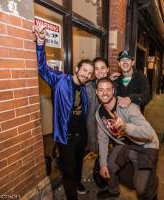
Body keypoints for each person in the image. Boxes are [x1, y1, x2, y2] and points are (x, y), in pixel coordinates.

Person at [34, 25, 94, 200]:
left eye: (89, 73)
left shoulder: (84, 88)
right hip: (65, 136)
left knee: (78, 166)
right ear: (76, 69)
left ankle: (77, 183)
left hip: (81, 135)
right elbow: (42, 68)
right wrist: (40, 42)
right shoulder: (60, 80)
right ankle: (71, 195)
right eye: (84, 71)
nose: (86, 75)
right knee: (68, 169)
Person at [95, 77, 159, 200]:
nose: (104, 93)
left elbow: (148, 133)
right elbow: (103, 139)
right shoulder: (99, 113)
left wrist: (125, 127)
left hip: (145, 146)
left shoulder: (127, 107)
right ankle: (113, 191)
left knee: (141, 188)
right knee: (108, 167)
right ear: (96, 92)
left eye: (108, 89)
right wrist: (102, 164)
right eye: (101, 90)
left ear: (113, 91)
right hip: (125, 145)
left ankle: (152, 186)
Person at [86, 57, 110, 153]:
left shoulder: (115, 86)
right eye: (96, 68)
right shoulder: (88, 87)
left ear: (108, 69)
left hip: (111, 131)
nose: (100, 71)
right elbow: (90, 117)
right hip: (94, 131)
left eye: (103, 68)